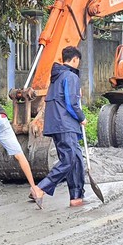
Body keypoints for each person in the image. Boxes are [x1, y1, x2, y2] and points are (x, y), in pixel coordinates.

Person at [31, 46, 87, 208]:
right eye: (78, 62)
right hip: (66, 124)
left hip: (56, 124)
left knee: (75, 160)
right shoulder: (70, 76)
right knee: (69, 160)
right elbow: (70, 103)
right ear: (75, 59)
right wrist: (81, 118)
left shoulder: (56, 77)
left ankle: (76, 196)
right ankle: (41, 188)